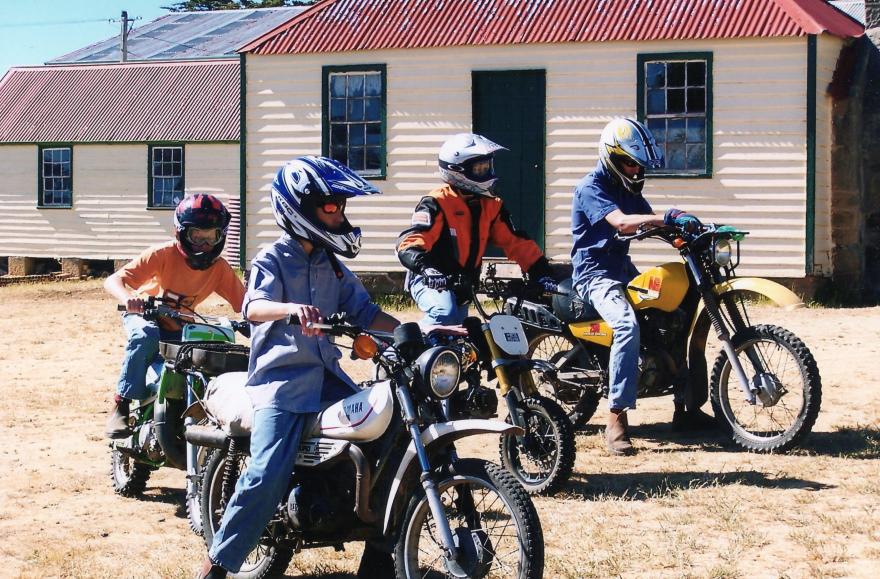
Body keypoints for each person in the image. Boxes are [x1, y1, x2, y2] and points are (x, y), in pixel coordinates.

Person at [197, 156, 400, 579]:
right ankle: (217, 566)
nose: (340, 215)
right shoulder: (271, 258)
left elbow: (366, 312)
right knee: (266, 474)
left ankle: (380, 559)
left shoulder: (332, 265)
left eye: (342, 207)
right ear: (300, 208)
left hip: (328, 381)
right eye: (331, 207)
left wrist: (415, 333)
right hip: (281, 385)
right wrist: (290, 310)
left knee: (390, 440)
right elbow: (253, 307)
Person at [570, 117, 713, 456]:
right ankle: (616, 417)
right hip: (595, 277)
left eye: (638, 164)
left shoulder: (627, 189)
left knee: (675, 316)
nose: (636, 170)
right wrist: (666, 217)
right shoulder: (591, 187)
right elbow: (621, 222)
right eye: (630, 163)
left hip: (623, 271)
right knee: (625, 325)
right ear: (612, 158)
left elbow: (652, 225)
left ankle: (688, 408)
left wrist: (691, 231)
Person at [105, 194, 246, 439]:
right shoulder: (162, 254)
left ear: (220, 236)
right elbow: (113, 280)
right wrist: (130, 299)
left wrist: (259, 319)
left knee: (207, 360)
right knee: (145, 335)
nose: (204, 244)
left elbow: (246, 303)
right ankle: (122, 403)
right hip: (146, 315)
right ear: (182, 233)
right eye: (196, 236)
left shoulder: (220, 268)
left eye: (211, 236)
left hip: (181, 326)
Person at [396, 132, 559, 327]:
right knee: (444, 314)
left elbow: (514, 241)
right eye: (479, 169)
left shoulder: (491, 205)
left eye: (487, 166)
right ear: (456, 170)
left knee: (462, 338)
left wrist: (540, 271)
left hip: (462, 285)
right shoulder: (437, 202)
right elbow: (411, 241)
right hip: (429, 279)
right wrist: (427, 268)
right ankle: (407, 351)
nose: (487, 172)